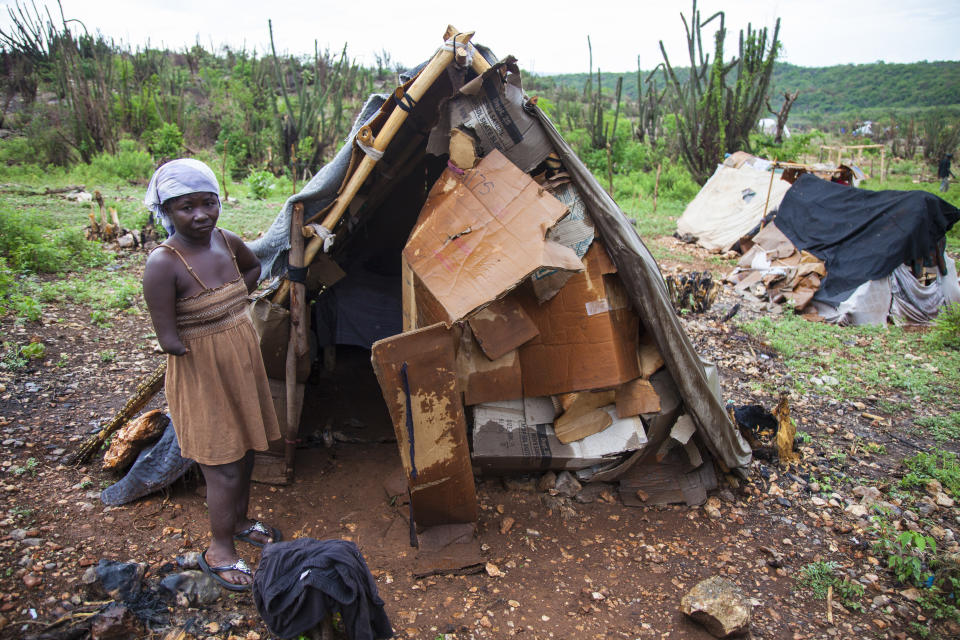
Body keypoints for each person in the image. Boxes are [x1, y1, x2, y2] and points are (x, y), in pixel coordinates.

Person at [142, 159, 282, 590]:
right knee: (221, 462)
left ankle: (238, 521)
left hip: (240, 360)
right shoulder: (164, 264)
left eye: (209, 203)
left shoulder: (226, 240)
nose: (201, 215)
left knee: (247, 449)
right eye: (187, 207)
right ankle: (219, 550)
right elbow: (168, 337)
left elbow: (255, 269)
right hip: (203, 374)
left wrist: (234, 307)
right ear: (166, 211)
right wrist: (207, 341)